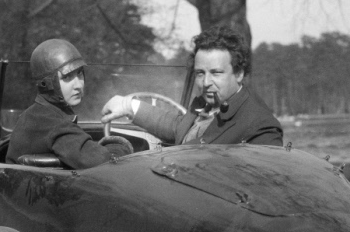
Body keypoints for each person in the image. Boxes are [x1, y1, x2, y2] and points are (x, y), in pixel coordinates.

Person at [102, 25, 283, 146]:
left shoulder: (261, 126)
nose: (205, 83)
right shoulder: (206, 105)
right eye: (200, 73)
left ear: (239, 73)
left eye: (216, 73)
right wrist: (129, 106)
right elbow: (178, 127)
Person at [6, 38, 133, 168]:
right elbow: (103, 163)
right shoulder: (53, 124)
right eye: (67, 77)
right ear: (47, 84)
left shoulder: (38, 114)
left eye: (80, 74)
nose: (78, 85)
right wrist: (119, 146)